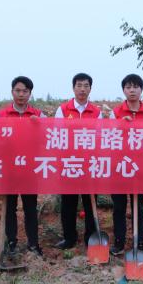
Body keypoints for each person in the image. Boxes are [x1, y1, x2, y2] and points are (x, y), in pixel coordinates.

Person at [0, 76, 45, 257]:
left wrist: (38, 126)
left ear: (30, 93)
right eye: (17, 90)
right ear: (12, 92)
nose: (21, 94)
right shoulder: (2, 115)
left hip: (29, 170)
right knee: (9, 208)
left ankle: (33, 243)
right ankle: (11, 243)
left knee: (30, 208)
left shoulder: (38, 115)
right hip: (9, 170)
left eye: (25, 91)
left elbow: (47, 139)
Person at [109, 74, 143, 255]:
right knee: (119, 207)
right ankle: (119, 243)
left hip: (141, 167)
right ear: (123, 90)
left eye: (135, 87)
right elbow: (109, 137)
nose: (132, 90)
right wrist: (121, 125)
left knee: (138, 206)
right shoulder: (115, 113)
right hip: (119, 167)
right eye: (128, 87)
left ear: (141, 89)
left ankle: (139, 242)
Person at [53, 73, 101, 250]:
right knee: (68, 203)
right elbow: (58, 135)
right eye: (79, 85)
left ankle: (90, 238)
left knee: (90, 202)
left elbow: (100, 136)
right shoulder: (63, 110)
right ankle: (69, 238)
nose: (82, 89)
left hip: (90, 164)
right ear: (73, 88)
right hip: (69, 163)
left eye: (86, 86)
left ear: (90, 89)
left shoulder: (96, 112)